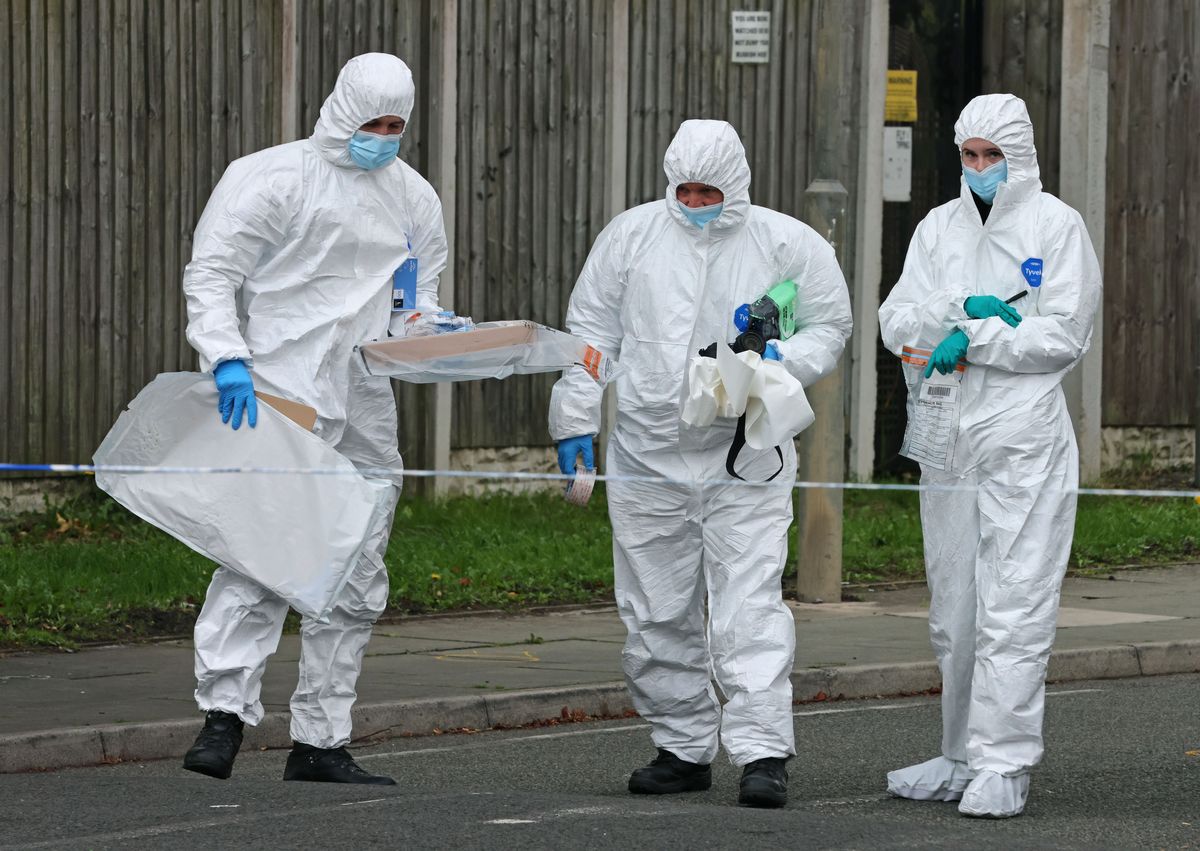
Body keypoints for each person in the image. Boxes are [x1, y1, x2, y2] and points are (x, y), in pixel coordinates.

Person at [549, 119, 852, 808]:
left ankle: (763, 750)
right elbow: (590, 333)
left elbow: (832, 323)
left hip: (746, 453)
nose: (694, 200)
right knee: (655, 606)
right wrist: (573, 419)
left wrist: (781, 361)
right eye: (683, 188)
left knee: (747, 605)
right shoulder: (631, 237)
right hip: (646, 455)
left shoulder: (784, 242)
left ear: (734, 184)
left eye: (707, 189)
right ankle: (681, 745)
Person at [179, 53, 449, 785]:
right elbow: (214, 270)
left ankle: (322, 737)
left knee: (358, 559)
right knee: (264, 548)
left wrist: (430, 329)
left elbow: (413, 299)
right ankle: (223, 715)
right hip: (278, 385)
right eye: (373, 123)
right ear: (341, 110)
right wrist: (227, 354)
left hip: (363, 393)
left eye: (397, 126)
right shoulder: (271, 177)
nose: (384, 137)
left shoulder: (413, 198)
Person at [878, 94, 1101, 818]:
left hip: (1023, 442)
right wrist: (954, 315)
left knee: (1014, 602)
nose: (978, 169)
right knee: (954, 608)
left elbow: (1065, 334)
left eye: (991, 156)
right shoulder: (938, 228)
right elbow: (894, 318)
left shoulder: (1055, 226)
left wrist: (985, 336)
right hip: (948, 440)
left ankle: (1005, 762)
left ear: (1020, 156)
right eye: (969, 155)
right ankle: (958, 753)